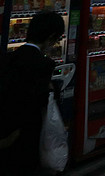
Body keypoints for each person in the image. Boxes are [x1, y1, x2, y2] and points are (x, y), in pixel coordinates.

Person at [0, 10, 65, 174]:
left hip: (5, 131)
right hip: (27, 134)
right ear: (51, 38)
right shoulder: (44, 65)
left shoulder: (8, 58)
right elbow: (38, 101)